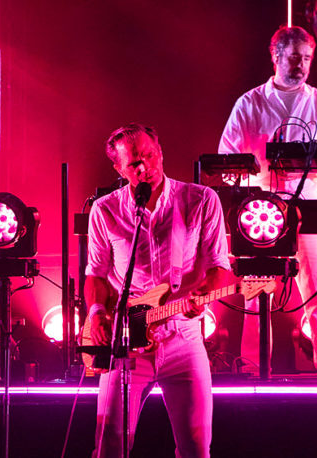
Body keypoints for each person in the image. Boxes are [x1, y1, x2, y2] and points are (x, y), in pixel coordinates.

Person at [86, 123, 230, 458]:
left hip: (184, 337)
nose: (145, 167)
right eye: (134, 163)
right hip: (126, 340)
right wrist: (96, 313)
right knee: (110, 443)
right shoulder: (105, 210)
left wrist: (202, 294)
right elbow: (95, 274)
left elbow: (221, 268)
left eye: (150, 156)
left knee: (196, 446)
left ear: (160, 152)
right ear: (119, 169)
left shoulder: (200, 200)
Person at [218, 26, 317, 373]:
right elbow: (227, 158)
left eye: (307, 59)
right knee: (258, 291)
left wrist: (306, 168)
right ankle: (252, 366)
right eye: (294, 57)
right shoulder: (249, 103)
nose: (301, 65)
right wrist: (257, 170)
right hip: (261, 208)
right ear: (275, 56)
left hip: (308, 203)